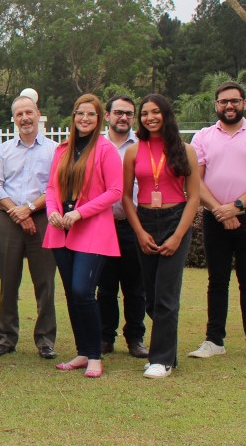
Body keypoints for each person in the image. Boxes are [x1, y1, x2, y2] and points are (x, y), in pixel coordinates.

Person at [188, 82, 246, 362]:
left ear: (244, 103)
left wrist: (236, 206)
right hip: (215, 218)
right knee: (217, 280)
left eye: (234, 101)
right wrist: (220, 210)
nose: (229, 106)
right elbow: (195, 179)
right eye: (223, 102)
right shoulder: (203, 136)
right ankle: (214, 340)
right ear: (216, 105)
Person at [43, 94, 122, 379]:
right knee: (71, 294)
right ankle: (82, 351)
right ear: (73, 117)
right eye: (80, 114)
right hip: (60, 228)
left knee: (83, 291)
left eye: (91, 114)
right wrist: (52, 210)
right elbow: (52, 186)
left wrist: (80, 213)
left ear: (100, 118)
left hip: (92, 228)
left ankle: (95, 356)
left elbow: (115, 191)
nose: (85, 119)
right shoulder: (62, 150)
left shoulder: (106, 149)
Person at [123, 94, 201, 378]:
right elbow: (125, 198)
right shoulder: (134, 151)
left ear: (166, 115)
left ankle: (162, 359)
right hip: (145, 221)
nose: (150, 117)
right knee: (151, 298)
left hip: (174, 220)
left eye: (155, 112)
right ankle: (167, 350)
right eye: (144, 113)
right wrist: (140, 232)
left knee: (166, 295)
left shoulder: (185, 150)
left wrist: (178, 236)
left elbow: (194, 197)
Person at [0, 94, 58, 359]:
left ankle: (45, 340)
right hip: (9, 219)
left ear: (38, 113)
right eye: (19, 114)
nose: (25, 118)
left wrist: (29, 209)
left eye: (29, 112)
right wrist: (18, 213)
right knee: (8, 280)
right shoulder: (3, 150)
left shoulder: (53, 150)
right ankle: (6, 338)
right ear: (14, 119)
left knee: (45, 282)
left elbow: (55, 187)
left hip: (42, 218)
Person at [97, 95, 149, 358]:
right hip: (102, 225)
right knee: (105, 287)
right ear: (107, 115)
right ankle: (105, 337)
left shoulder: (142, 146)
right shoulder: (96, 145)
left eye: (129, 113)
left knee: (134, 287)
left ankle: (135, 338)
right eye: (118, 112)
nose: (124, 118)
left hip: (133, 224)